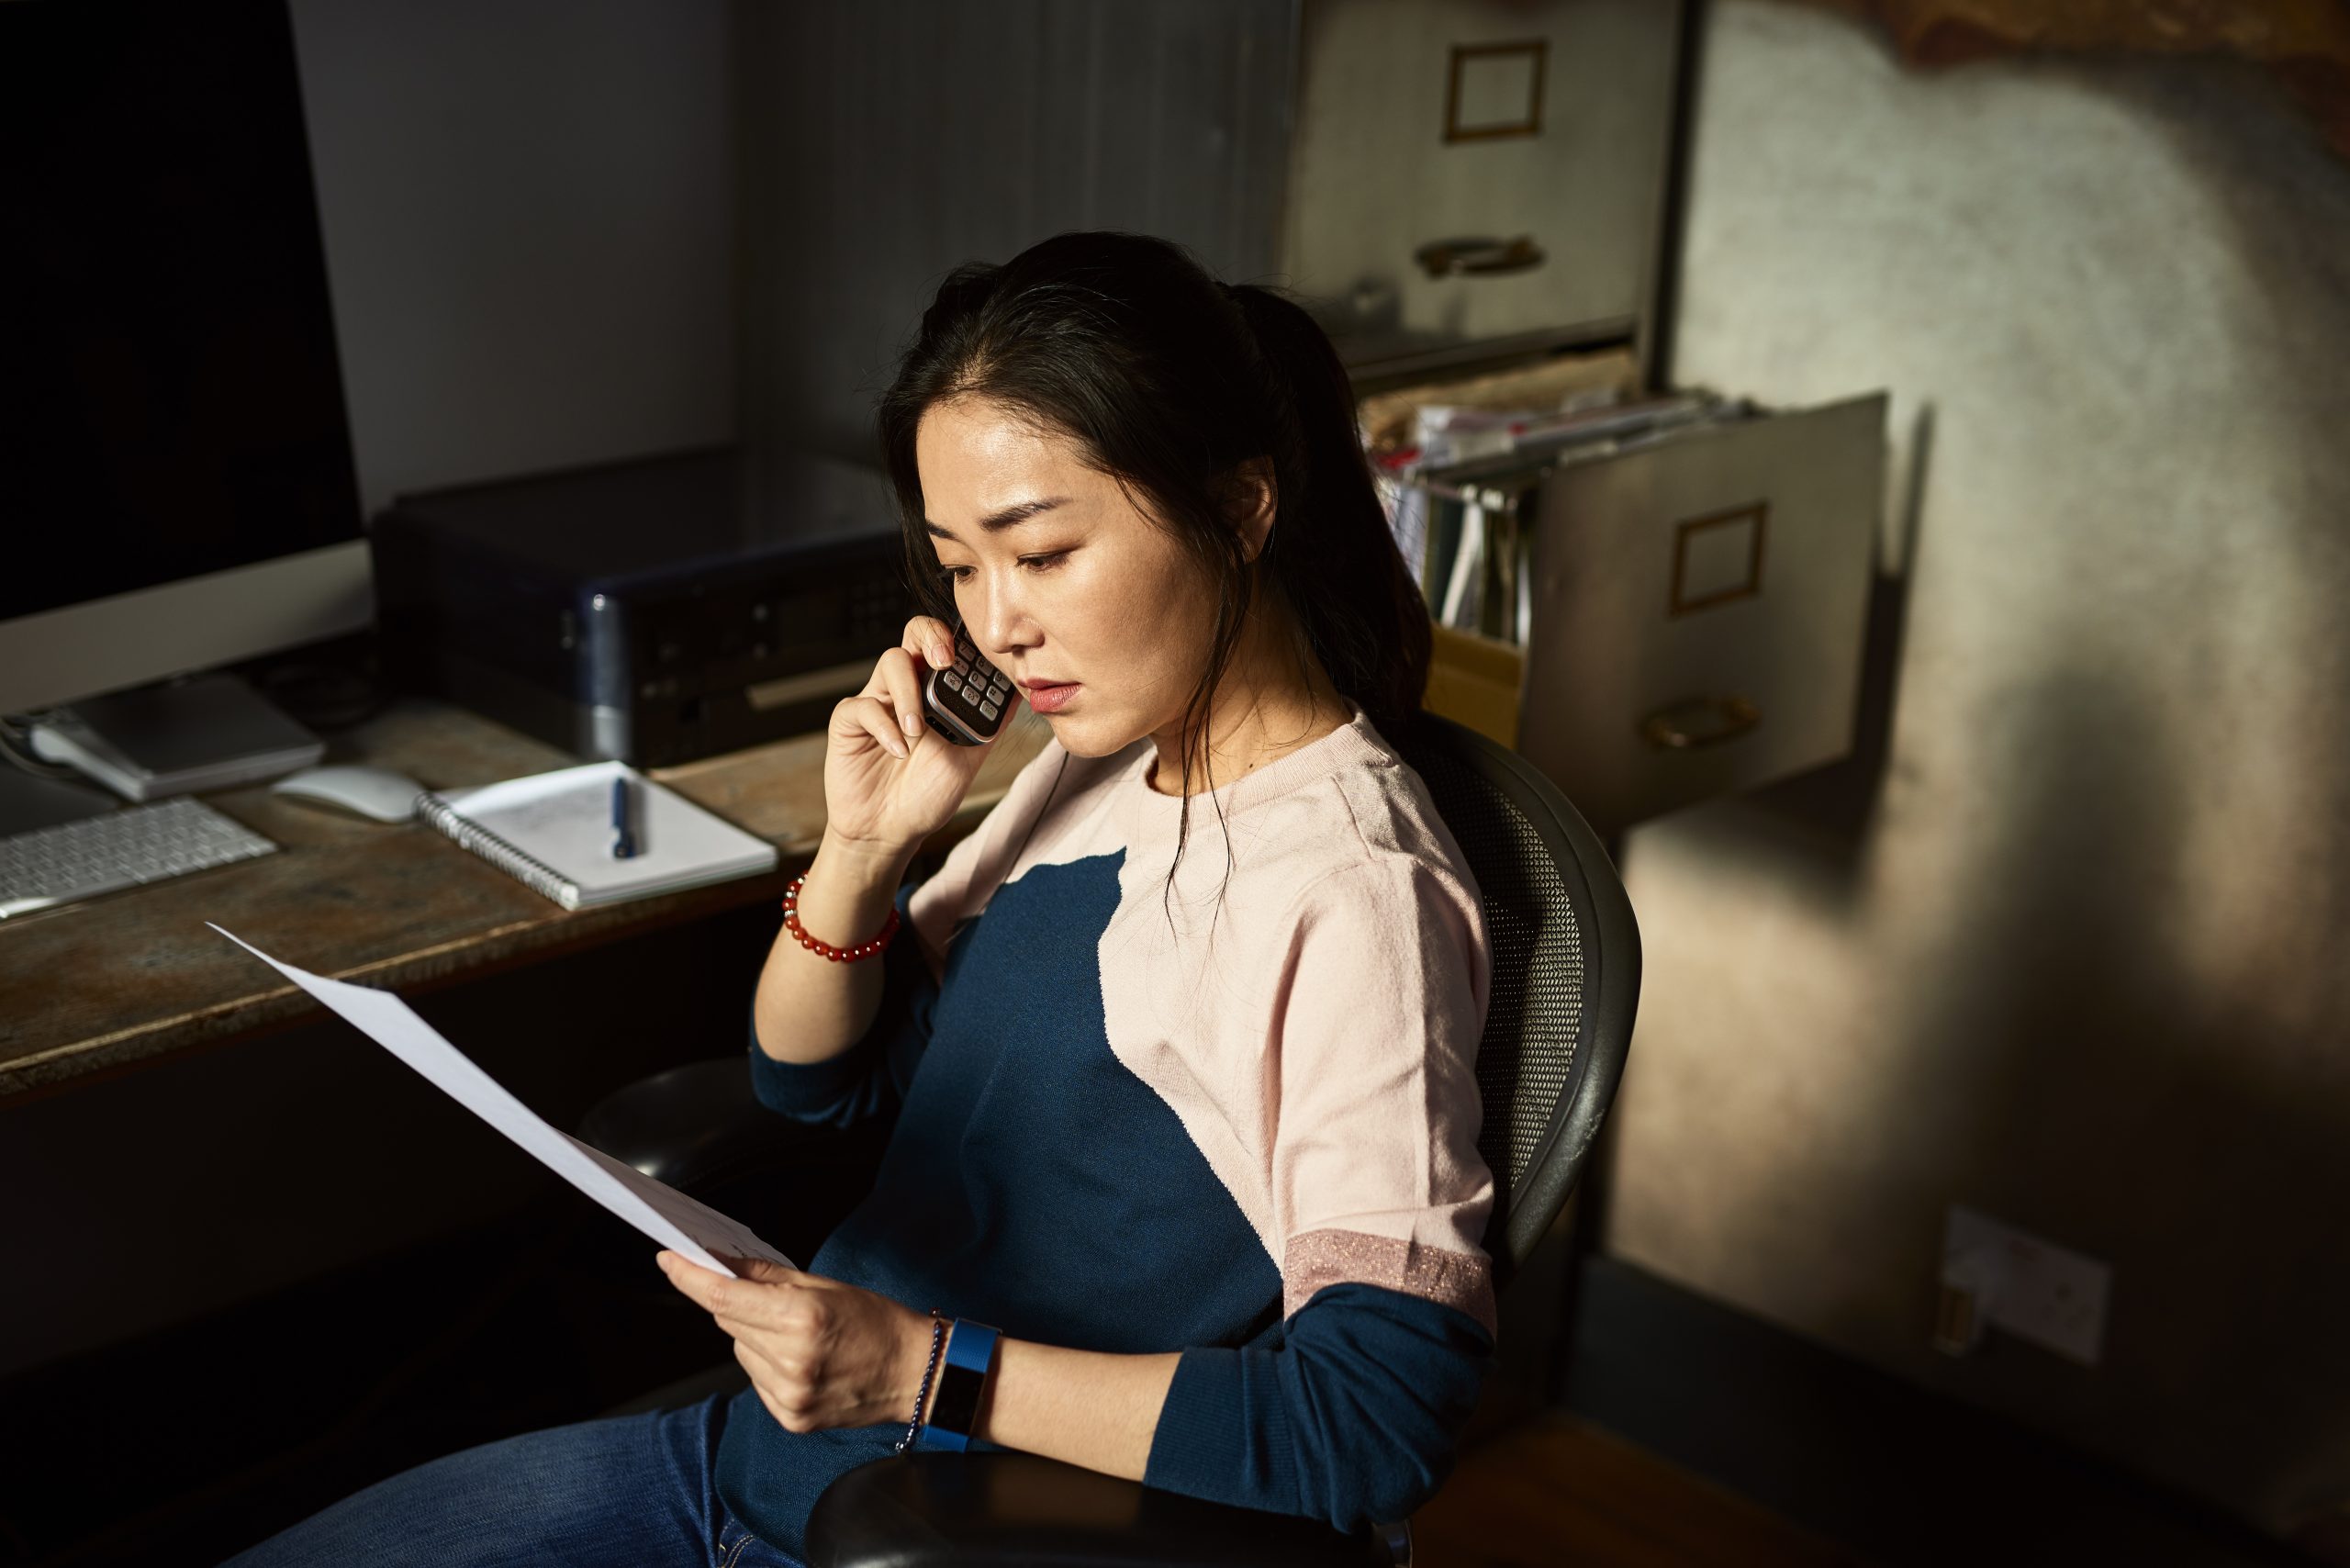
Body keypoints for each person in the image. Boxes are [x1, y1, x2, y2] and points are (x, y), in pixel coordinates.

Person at [226, 230, 1494, 1568]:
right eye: (960, 563)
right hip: (763, 1459)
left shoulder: (1353, 897)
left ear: (1242, 510)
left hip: (937, 1527)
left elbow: (1372, 1423)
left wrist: (920, 1372)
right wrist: (862, 847)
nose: (997, 623)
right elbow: (811, 1083)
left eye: (1043, 552)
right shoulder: (1098, 758)